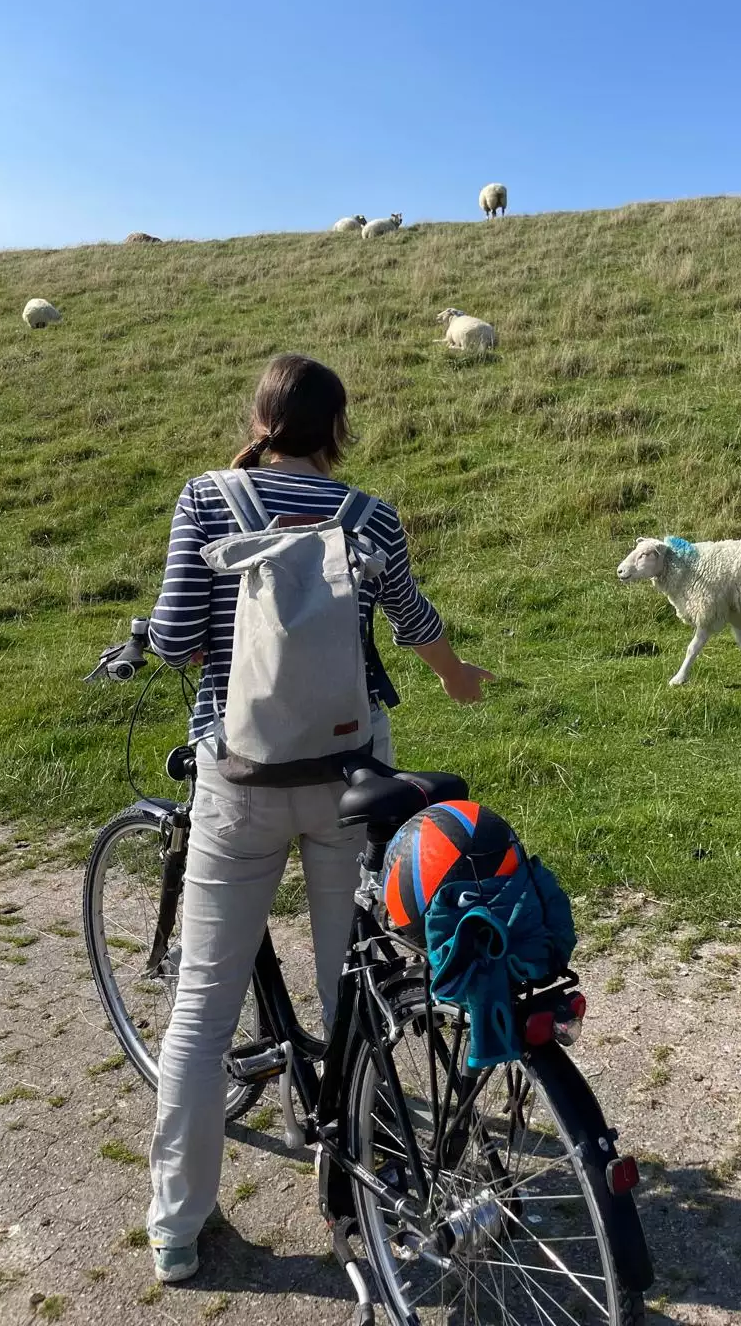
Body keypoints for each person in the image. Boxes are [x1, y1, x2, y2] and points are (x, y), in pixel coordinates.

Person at [143, 352, 493, 1283]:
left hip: (239, 778)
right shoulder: (369, 514)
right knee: (356, 994)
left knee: (203, 1007)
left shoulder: (206, 499)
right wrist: (455, 676)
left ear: (259, 418)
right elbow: (411, 617)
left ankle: (177, 1230)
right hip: (352, 776)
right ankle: (368, 1184)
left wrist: (184, 647)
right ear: (338, 430)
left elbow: (175, 634)